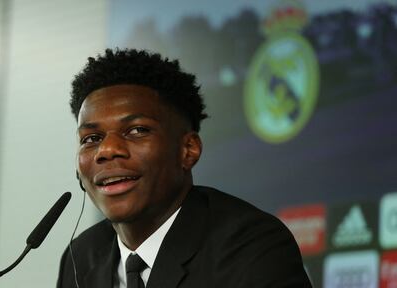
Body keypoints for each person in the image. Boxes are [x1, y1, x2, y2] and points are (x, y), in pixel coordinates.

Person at [57, 48, 312, 288]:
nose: (107, 150)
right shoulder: (80, 258)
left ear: (188, 150)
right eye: (91, 139)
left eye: (137, 130)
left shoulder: (252, 247)